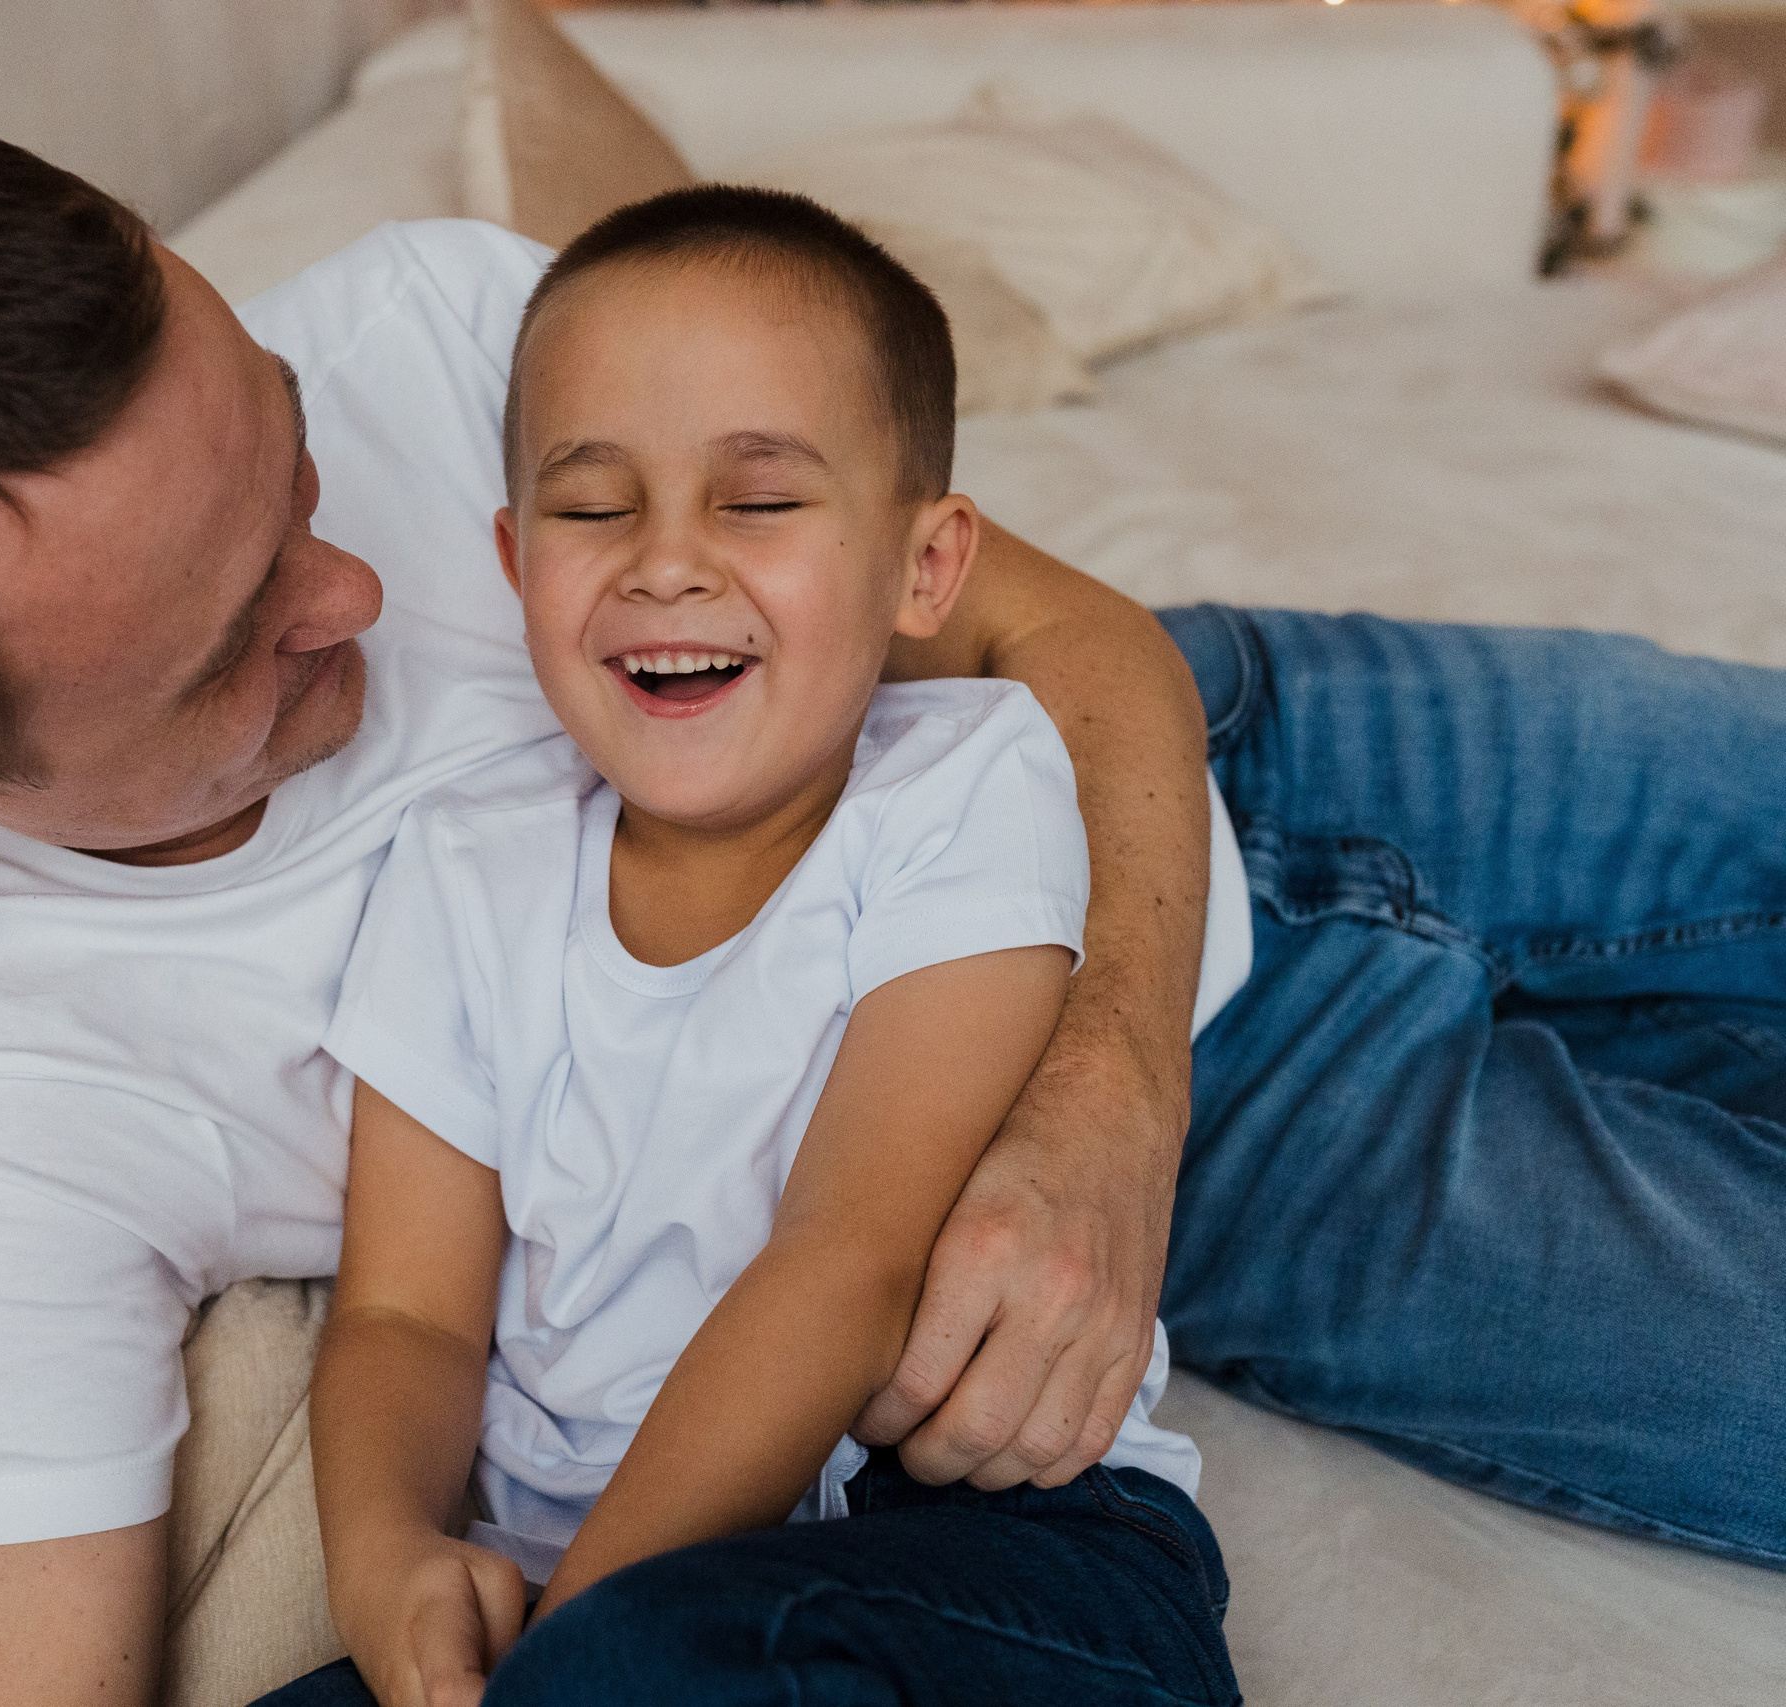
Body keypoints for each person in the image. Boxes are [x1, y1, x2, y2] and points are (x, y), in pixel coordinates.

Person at [0, 114, 1784, 1705]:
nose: (361, 590)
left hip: (1194, 755)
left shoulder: (427, 319)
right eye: (234, 652)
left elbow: (1041, 628)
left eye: (293, 457)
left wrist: (1105, 1095)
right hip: (1259, 1126)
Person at [267, 185, 1237, 1707]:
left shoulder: (971, 785)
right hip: (570, 1580)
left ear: (927, 570)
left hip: (981, 1523)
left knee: (655, 1660)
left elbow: (847, 1264)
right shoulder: (461, 862)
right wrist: (386, 1552)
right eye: (595, 510)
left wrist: (574, 1648)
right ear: (516, 564)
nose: (666, 564)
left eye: (760, 503)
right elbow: (406, 1311)